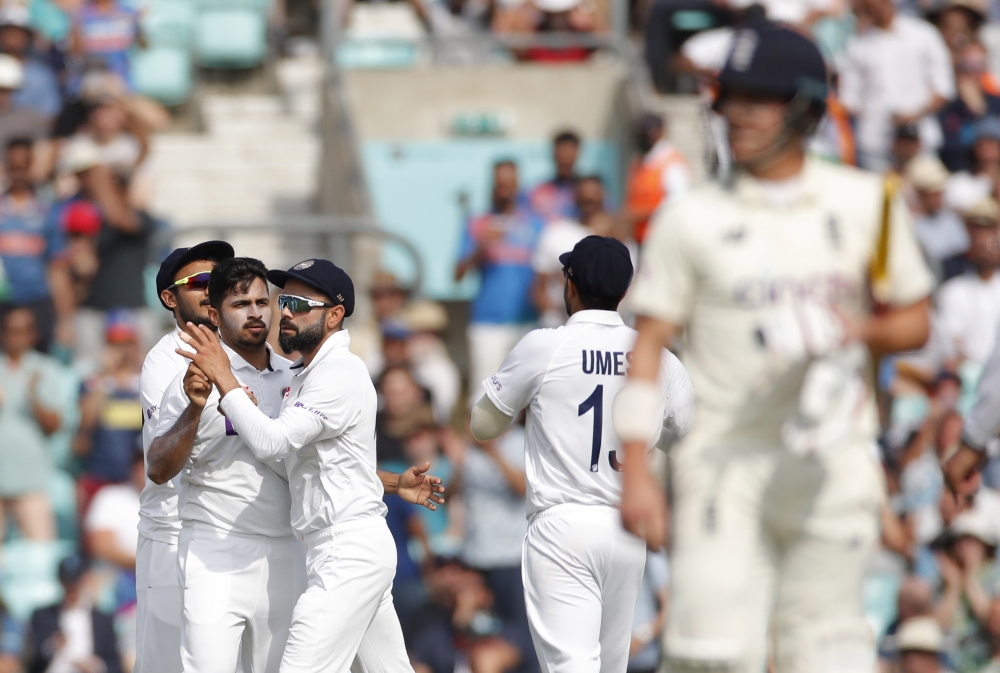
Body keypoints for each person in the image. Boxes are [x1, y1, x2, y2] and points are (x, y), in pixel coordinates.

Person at [617, 24, 934, 672]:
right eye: (729, 97)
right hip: (723, 461)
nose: (737, 115)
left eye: (757, 99)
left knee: (825, 656)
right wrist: (638, 470)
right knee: (709, 655)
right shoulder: (688, 216)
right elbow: (646, 346)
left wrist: (858, 333)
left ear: (806, 108)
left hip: (834, 459)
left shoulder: (868, 202)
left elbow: (914, 320)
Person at [177, 258, 445, 673]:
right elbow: (303, 465)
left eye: (300, 304)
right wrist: (392, 482)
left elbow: (272, 443)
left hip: (346, 553)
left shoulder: (338, 373)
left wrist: (224, 377)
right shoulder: (308, 374)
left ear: (335, 315)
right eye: (284, 301)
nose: (284, 313)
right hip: (343, 547)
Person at [469, 235, 695, 671]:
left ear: (568, 285)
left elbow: (482, 426)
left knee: (572, 665)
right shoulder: (660, 359)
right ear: (625, 291)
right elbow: (687, 439)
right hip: (626, 527)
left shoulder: (544, 345)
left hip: (562, 524)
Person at [148, 257, 306, 673]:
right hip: (214, 550)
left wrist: (393, 483)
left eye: (262, 301)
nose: (255, 313)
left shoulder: (297, 378)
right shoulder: (190, 379)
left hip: (286, 552)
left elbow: (317, 465)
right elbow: (159, 469)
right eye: (241, 305)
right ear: (215, 314)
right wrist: (195, 410)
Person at [134, 240, 234, 673]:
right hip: (171, 535)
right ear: (170, 298)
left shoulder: (240, 353)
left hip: (230, 532)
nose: (212, 290)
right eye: (200, 282)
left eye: (220, 280)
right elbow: (160, 469)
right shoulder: (164, 362)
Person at [455, 160, 543, 395]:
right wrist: (480, 246)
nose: (504, 190)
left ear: (517, 185)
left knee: (528, 397)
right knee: (483, 394)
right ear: (492, 186)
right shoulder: (478, 222)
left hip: (528, 321)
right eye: (499, 184)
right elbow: (458, 274)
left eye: (509, 184)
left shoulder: (536, 224)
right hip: (487, 322)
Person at [839, 0, 954, 171]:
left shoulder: (923, 34)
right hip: (876, 146)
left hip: (920, 143)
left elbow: (943, 87)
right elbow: (849, 100)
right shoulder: (857, 45)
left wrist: (913, 115)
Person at [0, 138, 73, 353]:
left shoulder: (46, 212)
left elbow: (57, 268)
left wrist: (65, 321)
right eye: (14, 167)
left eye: (24, 167)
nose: (19, 173)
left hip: (37, 300)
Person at [0, 306, 61, 544]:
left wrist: (34, 396)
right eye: (12, 331)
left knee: (41, 551)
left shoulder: (45, 369)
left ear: (33, 334)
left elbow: (53, 426)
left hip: (31, 478)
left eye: (23, 331)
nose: (17, 337)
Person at [74, 311, 144, 515]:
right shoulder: (93, 383)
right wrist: (106, 378)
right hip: (100, 476)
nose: (122, 350)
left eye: (127, 342)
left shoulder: (147, 381)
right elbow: (85, 424)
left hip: (137, 480)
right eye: (115, 343)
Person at [532, 175, 617, 328]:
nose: (588, 202)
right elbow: (538, 290)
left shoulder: (616, 238)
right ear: (575, 198)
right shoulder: (555, 232)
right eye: (584, 198)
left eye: (593, 198)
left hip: (600, 329)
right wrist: (561, 312)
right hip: (559, 326)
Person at [26, 555, 123, 673]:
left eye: (75, 582)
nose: (71, 588)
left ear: (84, 579)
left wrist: (96, 666)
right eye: (68, 582)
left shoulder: (103, 620)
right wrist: (52, 646)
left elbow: (115, 663)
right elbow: (31, 660)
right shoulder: (43, 616)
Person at [937, 197, 1000, 374]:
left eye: (990, 230)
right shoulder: (953, 290)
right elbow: (951, 349)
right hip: (969, 377)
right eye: (978, 230)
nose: (984, 240)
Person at [625, 112, 691, 245]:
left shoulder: (671, 163)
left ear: (660, 132)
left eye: (646, 132)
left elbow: (677, 204)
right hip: (640, 239)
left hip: (662, 241)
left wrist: (642, 214)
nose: (642, 137)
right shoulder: (641, 161)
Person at [904, 155, 969, 282]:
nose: (939, 197)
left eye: (941, 192)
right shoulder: (910, 223)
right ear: (921, 194)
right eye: (934, 193)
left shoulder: (952, 220)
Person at [0, 4, 61, 121]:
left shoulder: (42, 75)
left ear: (28, 37)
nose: (12, 38)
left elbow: (50, 115)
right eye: (8, 33)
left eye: (18, 33)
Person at [526, 130, 581, 223]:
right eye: (562, 153)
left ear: (576, 154)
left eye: (569, 154)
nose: (565, 159)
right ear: (554, 154)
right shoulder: (539, 191)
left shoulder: (588, 192)